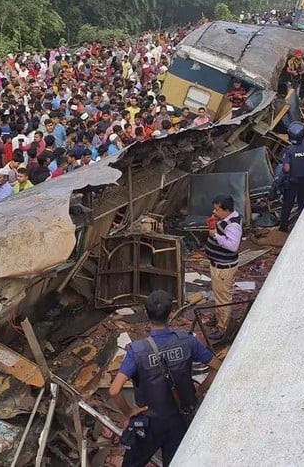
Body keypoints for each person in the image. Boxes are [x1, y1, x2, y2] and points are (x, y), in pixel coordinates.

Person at [109, 290, 221, 467]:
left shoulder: (136, 351)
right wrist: (199, 391)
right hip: (180, 418)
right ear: (170, 314)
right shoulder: (187, 341)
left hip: (149, 423)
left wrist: (128, 412)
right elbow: (217, 367)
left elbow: (114, 390)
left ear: (146, 314)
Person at [205, 195, 243, 342]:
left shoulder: (233, 225)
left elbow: (233, 246)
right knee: (219, 294)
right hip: (217, 264)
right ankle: (218, 318)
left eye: (217, 209)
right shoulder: (226, 219)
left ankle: (222, 327)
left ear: (226, 210)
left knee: (223, 298)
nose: (214, 212)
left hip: (223, 267)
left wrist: (215, 236)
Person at [279, 122, 304, 232]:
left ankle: (283, 226)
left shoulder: (289, 150)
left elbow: (286, 168)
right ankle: (303, 225)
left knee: (288, 203)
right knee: (303, 202)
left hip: (292, 181)